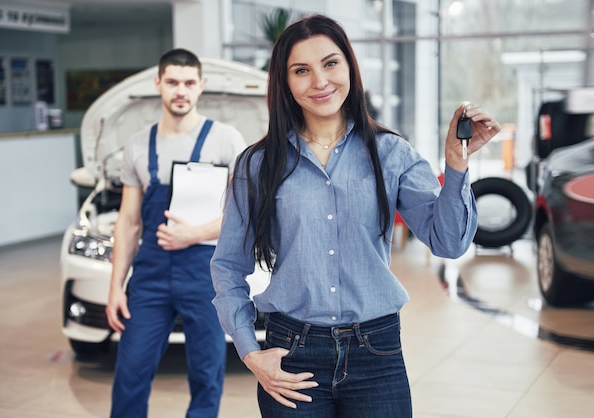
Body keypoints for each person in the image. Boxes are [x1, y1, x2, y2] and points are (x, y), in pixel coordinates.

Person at [210, 14, 501, 417]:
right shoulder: (258, 164)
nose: (320, 81)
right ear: (284, 82)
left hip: (376, 354)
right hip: (292, 354)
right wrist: (249, 351)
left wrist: (456, 162)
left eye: (330, 63)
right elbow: (227, 265)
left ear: (349, 66)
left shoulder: (391, 153)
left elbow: (448, 242)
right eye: (301, 70)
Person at [106, 48, 247, 418]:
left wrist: (194, 233)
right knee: (131, 369)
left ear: (201, 86)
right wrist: (115, 286)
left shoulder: (226, 140)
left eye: (188, 82)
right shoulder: (138, 145)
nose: (180, 90)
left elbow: (246, 212)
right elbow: (129, 221)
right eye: (172, 82)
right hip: (150, 277)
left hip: (204, 273)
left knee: (207, 371)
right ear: (159, 85)